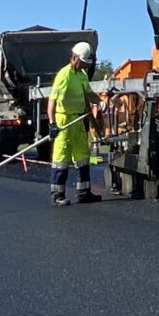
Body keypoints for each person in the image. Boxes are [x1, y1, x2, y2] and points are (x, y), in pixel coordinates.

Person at [48, 41, 98, 207]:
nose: (84, 64)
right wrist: (52, 123)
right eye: (83, 62)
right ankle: (57, 195)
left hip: (78, 120)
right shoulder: (64, 75)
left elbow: (89, 94)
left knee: (83, 156)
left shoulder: (82, 74)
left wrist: (101, 102)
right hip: (64, 121)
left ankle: (84, 193)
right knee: (61, 157)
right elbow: (52, 101)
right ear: (75, 58)